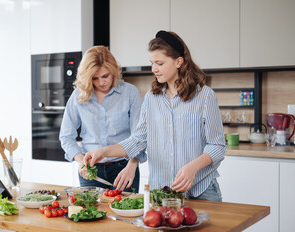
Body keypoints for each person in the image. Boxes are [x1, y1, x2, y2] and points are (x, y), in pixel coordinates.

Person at [84, 31, 227, 201]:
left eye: (159, 63)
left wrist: (192, 168)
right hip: (162, 192)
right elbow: (138, 141)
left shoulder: (205, 96)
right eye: (152, 63)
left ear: (178, 61)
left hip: (201, 190)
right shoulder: (152, 98)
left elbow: (217, 146)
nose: (154, 69)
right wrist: (103, 152)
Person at [59, 46, 146, 192]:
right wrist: (81, 161)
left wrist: (133, 165)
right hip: (91, 172)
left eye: (105, 76)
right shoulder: (78, 96)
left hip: (124, 168)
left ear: (113, 71)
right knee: (92, 213)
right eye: (94, 78)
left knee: (124, 213)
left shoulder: (130, 93)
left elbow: (139, 137)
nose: (101, 82)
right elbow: (66, 137)